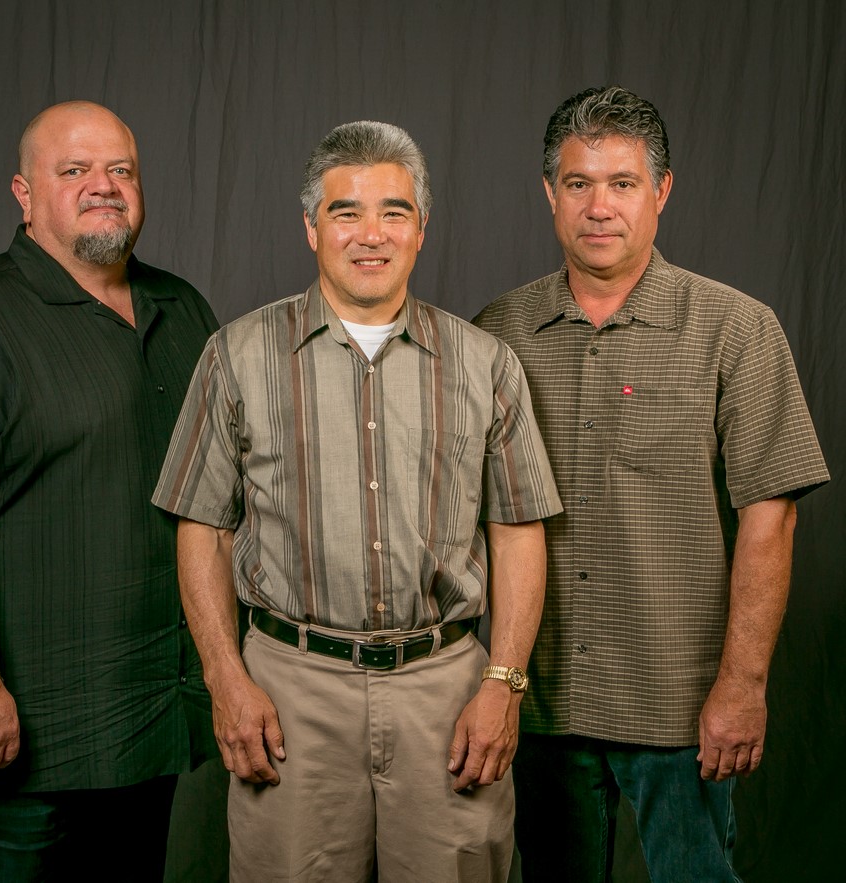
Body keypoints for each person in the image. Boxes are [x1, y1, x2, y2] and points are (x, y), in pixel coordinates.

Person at [152, 120, 563, 882]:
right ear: (311, 226)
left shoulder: (484, 363)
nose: (370, 234)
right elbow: (200, 527)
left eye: (394, 211)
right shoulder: (237, 355)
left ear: (422, 227)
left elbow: (518, 532)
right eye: (346, 211)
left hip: (445, 691)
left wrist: (503, 685)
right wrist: (226, 681)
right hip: (290, 691)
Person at [473, 85, 830, 882]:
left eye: (623, 183)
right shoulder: (497, 330)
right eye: (578, 183)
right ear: (549, 194)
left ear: (661, 191)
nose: (600, 208)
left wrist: (741, 686)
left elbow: (771, 519)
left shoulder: (736, 328)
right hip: (542, 701)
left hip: (681, 706)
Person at [0, 100, 219, 882]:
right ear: (25, 195)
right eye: (75, 171)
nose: (104, 186)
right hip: (18, 741)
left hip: (146, 726)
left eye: (120, 170)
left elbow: (218, 501)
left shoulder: (184, 310)